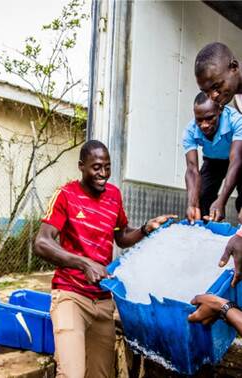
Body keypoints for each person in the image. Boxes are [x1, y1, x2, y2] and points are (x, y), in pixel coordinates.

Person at [33, 140, 175, 378]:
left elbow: (122, 236)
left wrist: (144, 229)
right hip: (71, 296)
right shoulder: (66, 195)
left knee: (101, 374)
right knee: (71, 374)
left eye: (107, 167)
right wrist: (83, 262)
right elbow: (41, 243)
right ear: (81, 166)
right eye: (96, 167)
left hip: (103, 299)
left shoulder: (114, 196)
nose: (103, 174)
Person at [195, 43, 242, 289]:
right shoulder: (235, 102)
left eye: (216, 87)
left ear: (234, 67)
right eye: (206, 90)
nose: (213, 96)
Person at [183, 92, 242, 223]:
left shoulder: (236, 120)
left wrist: (221, 201)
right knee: (202, 196)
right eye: (199, 120)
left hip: (238, 159)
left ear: (220, 110)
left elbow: (237, 160)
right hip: (213, 161)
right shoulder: (190, 130)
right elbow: (192, 169)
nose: (204, 125)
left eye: (210, 118)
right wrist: (192, 204)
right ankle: (205, 230)